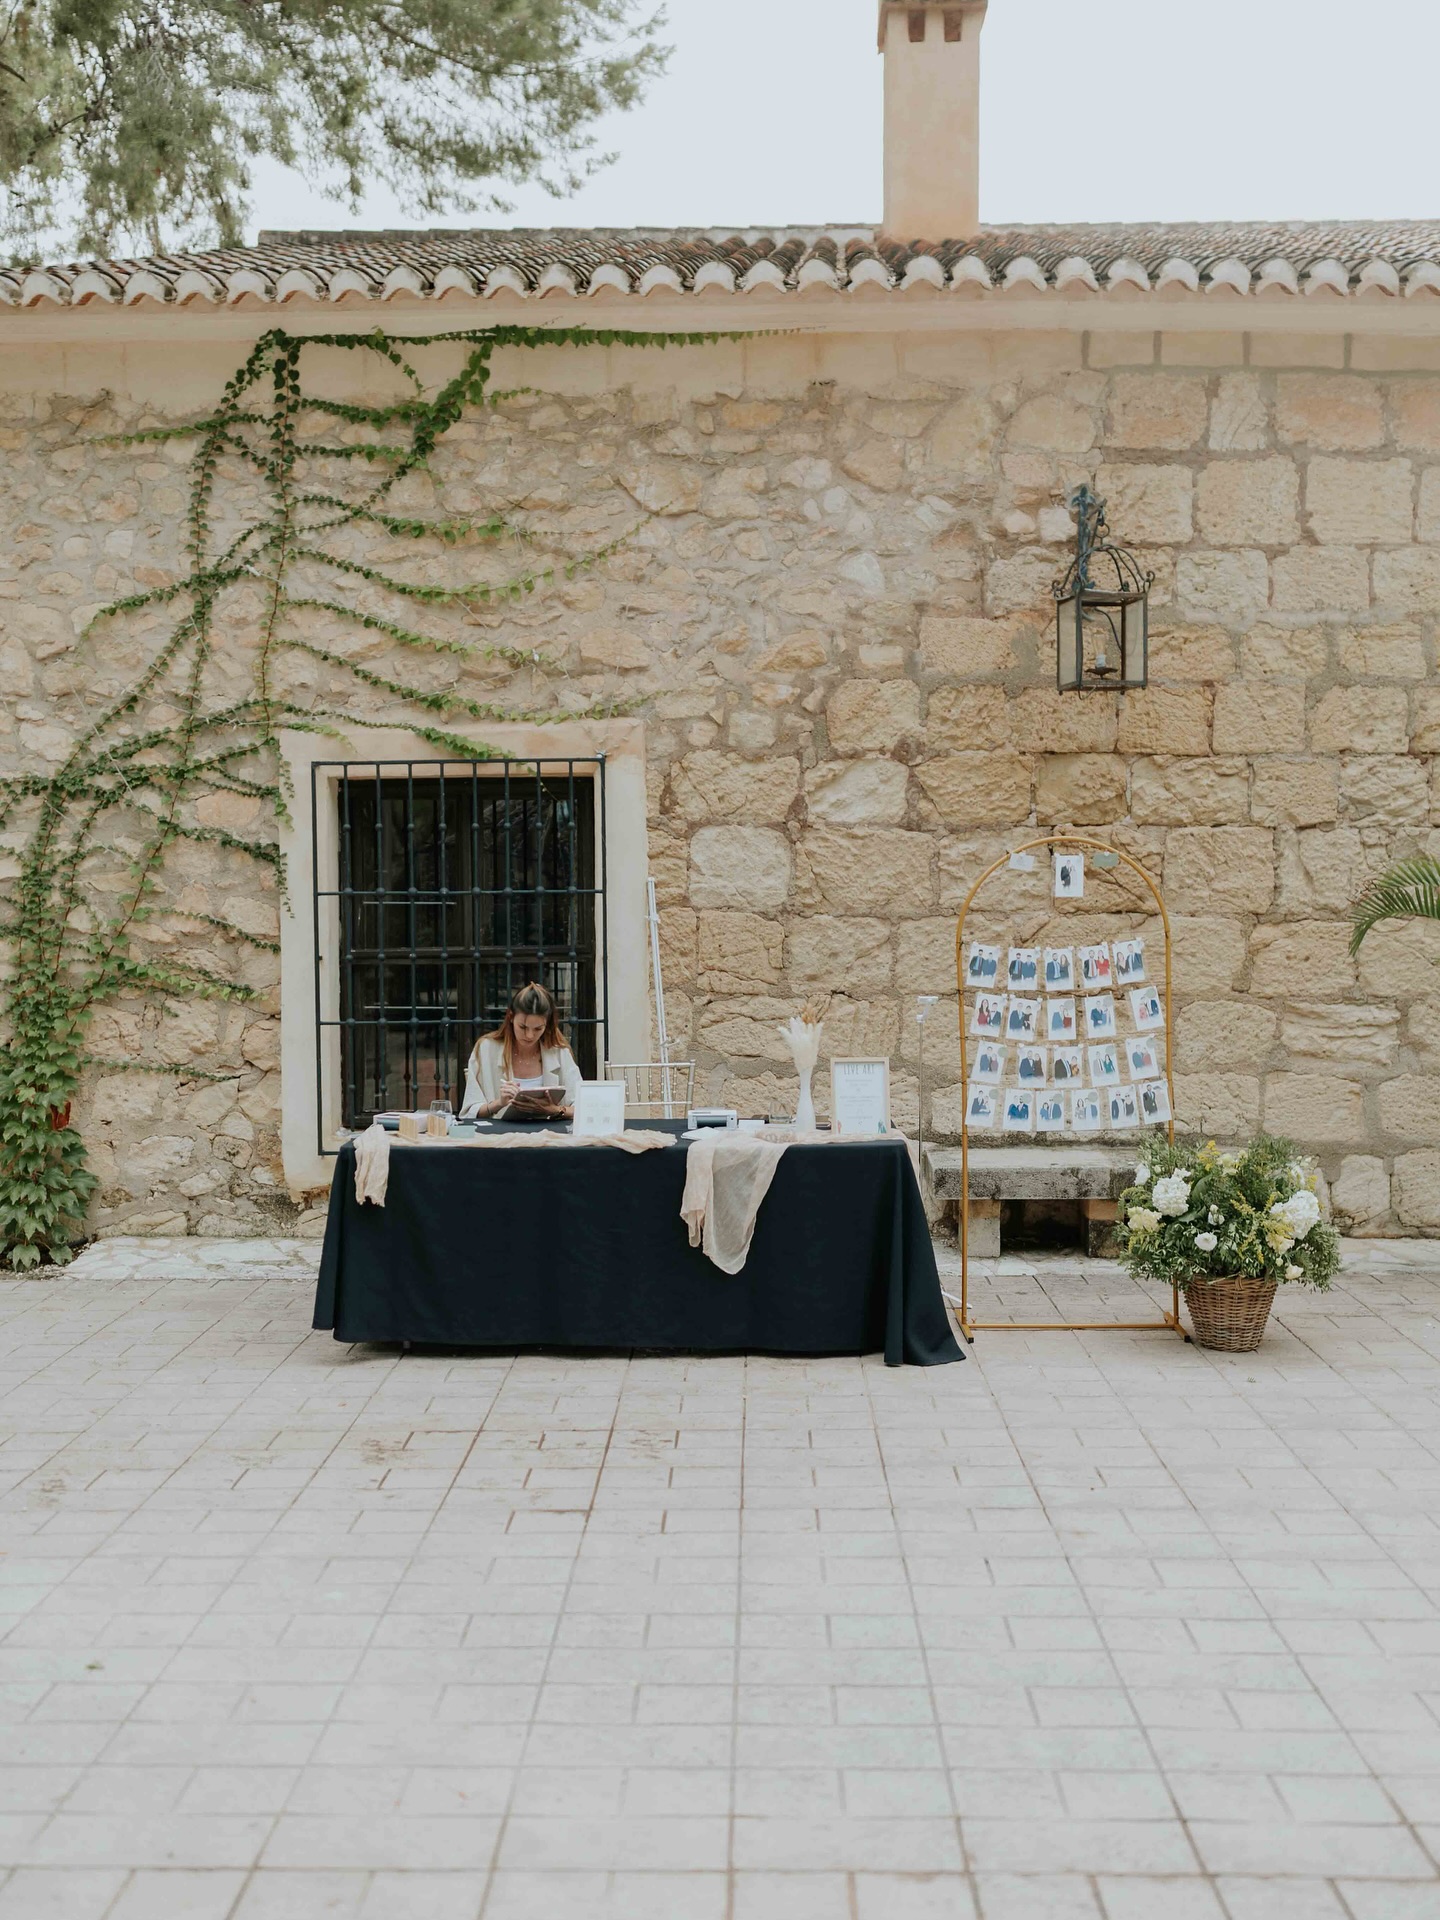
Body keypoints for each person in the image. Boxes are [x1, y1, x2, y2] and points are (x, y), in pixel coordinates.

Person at [461, 981, 583, 1120]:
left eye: (538, 1029)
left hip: (548, 1136)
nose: (530, 1035)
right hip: (498, 1138)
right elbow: (469, 1112)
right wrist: (499, 1103)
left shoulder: (559, 1053)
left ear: (547, 1024)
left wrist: (554, 1110)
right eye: (523, 1027)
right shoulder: (486, 1049)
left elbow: (584, 1107)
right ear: (511, 1017)